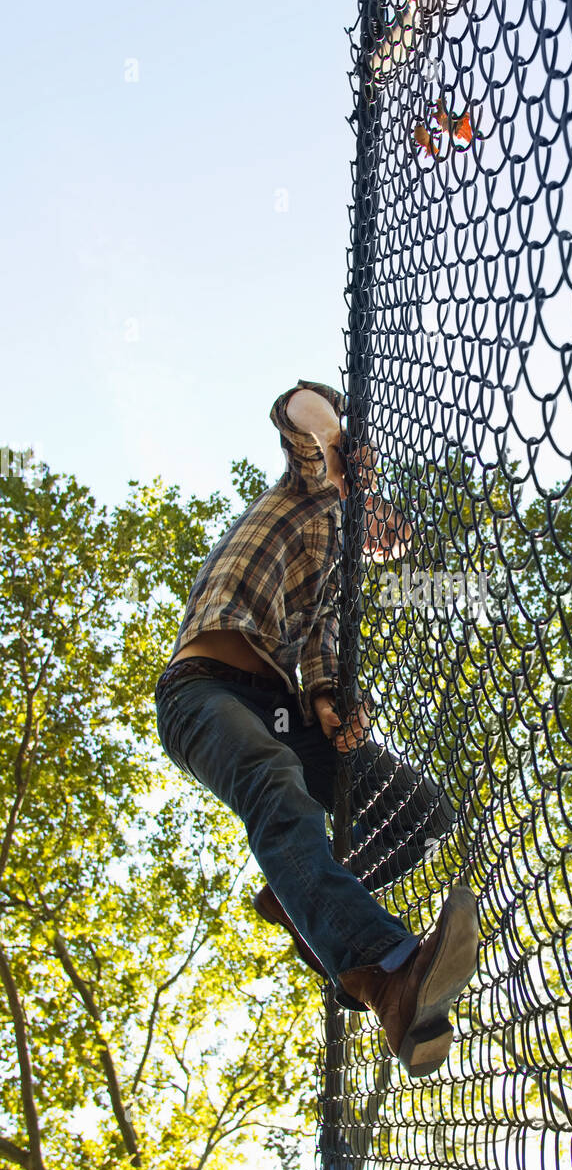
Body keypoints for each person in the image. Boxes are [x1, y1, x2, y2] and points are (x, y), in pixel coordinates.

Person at [154, 380, 478, 1078]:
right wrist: (339, 451)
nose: (391, 544)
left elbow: (320, 661)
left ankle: (300, 898)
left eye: (395, 543)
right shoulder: (311, 489)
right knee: (276, 785)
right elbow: (298, 409)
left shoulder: (337, 583)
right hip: (202, 690)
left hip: (278, 704)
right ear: (363, 491)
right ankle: (387, 970)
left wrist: (332, 704)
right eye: (388, 527)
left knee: (422, 813)